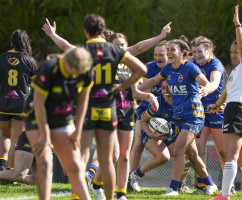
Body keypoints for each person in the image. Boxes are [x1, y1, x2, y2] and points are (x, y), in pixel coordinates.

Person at [43, 15, 148, 200]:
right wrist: (122, 87)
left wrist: (53, 35)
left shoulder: (82, 50)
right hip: (108, 108)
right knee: (107, 161)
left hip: (87, 108)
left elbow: (65, 46)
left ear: (85, 31)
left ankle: (77, 195)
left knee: (82, 156)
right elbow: (142, 70)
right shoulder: (114, 50)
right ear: (103, 30)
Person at [87, 31, 169, 200]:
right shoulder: (104, 63)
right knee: (113, 156)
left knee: (124, 156)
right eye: (116, 45)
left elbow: (134, 92)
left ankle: (121, 194)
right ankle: (96, 185)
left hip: (126, 113)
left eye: (123, 45)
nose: (120, 48)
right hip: (108, 113)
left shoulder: (128, 65)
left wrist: (148, 96)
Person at [139, 35, 218, 196]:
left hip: (194, 115)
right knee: (193, 155)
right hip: (179, 117)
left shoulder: (190, 68)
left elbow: (206, 83)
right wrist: (134, 89)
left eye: (172, 49)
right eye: (168, 49)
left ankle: (174, 188)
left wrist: (207, 89)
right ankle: (210, 185)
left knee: (179, 150)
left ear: (182, 53)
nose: (169, 52)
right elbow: (153, 80)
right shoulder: (168, 69)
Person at [208, 5, 242, 200]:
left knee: (230, 156)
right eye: (231, 52)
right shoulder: (236, 73)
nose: (234, 54)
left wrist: (237, 24)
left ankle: (224, 195)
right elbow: (225, 92)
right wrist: (215, 105)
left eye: (236, 51)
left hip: (237, 111)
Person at [23, 47, 93, 200]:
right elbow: (39, 103)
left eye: (77, 72)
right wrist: (45, 134)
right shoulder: (48, 68)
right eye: (72, 70)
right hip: (37, 116)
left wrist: (78, 130)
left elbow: (82, 102)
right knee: (45, 161)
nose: (74, 75)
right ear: (65, 61)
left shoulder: (86, 72)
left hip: (63, 117)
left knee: (74, 165)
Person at [129, 79, 193, 194]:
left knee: (188, 157)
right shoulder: (157, 103)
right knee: (163, 157)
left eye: (168, 87)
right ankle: (135, 175)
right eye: (163, 88)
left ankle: (179, 186)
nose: (165, 91)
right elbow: (143, 122)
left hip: (169, 135)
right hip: (150, 133)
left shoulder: (182, 103)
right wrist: (150, 134)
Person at [129, 40, 170, 192]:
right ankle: (130, 179)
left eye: (162, 54)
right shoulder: (148, 68)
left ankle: (181, 183)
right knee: (138, 143)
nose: (158, 57)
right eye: (156, 54)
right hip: (147, 111)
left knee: (182, 150)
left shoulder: (174, 68)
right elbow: (138, 89)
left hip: (168, 114)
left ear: (169, 55)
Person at [190, 36, 229, 194]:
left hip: (216, 109)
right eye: (194, 52)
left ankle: (228, 186)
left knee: (222, 151)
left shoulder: (215, 63)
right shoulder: (191, 62)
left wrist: (207, 89)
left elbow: (214, 82)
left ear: (208, 51)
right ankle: (203, 184)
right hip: (200, 110)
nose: (197, 55)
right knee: (198, 149)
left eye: (200, 51)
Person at [0, 29, 38, 170]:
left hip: (3, 104)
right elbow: (36, 87)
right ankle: (9, 171)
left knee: (5, 136)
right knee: (16, 138)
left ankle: (1, 166)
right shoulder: (30, 62)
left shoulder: (1, 58)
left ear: (12, 43)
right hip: (20, 105)